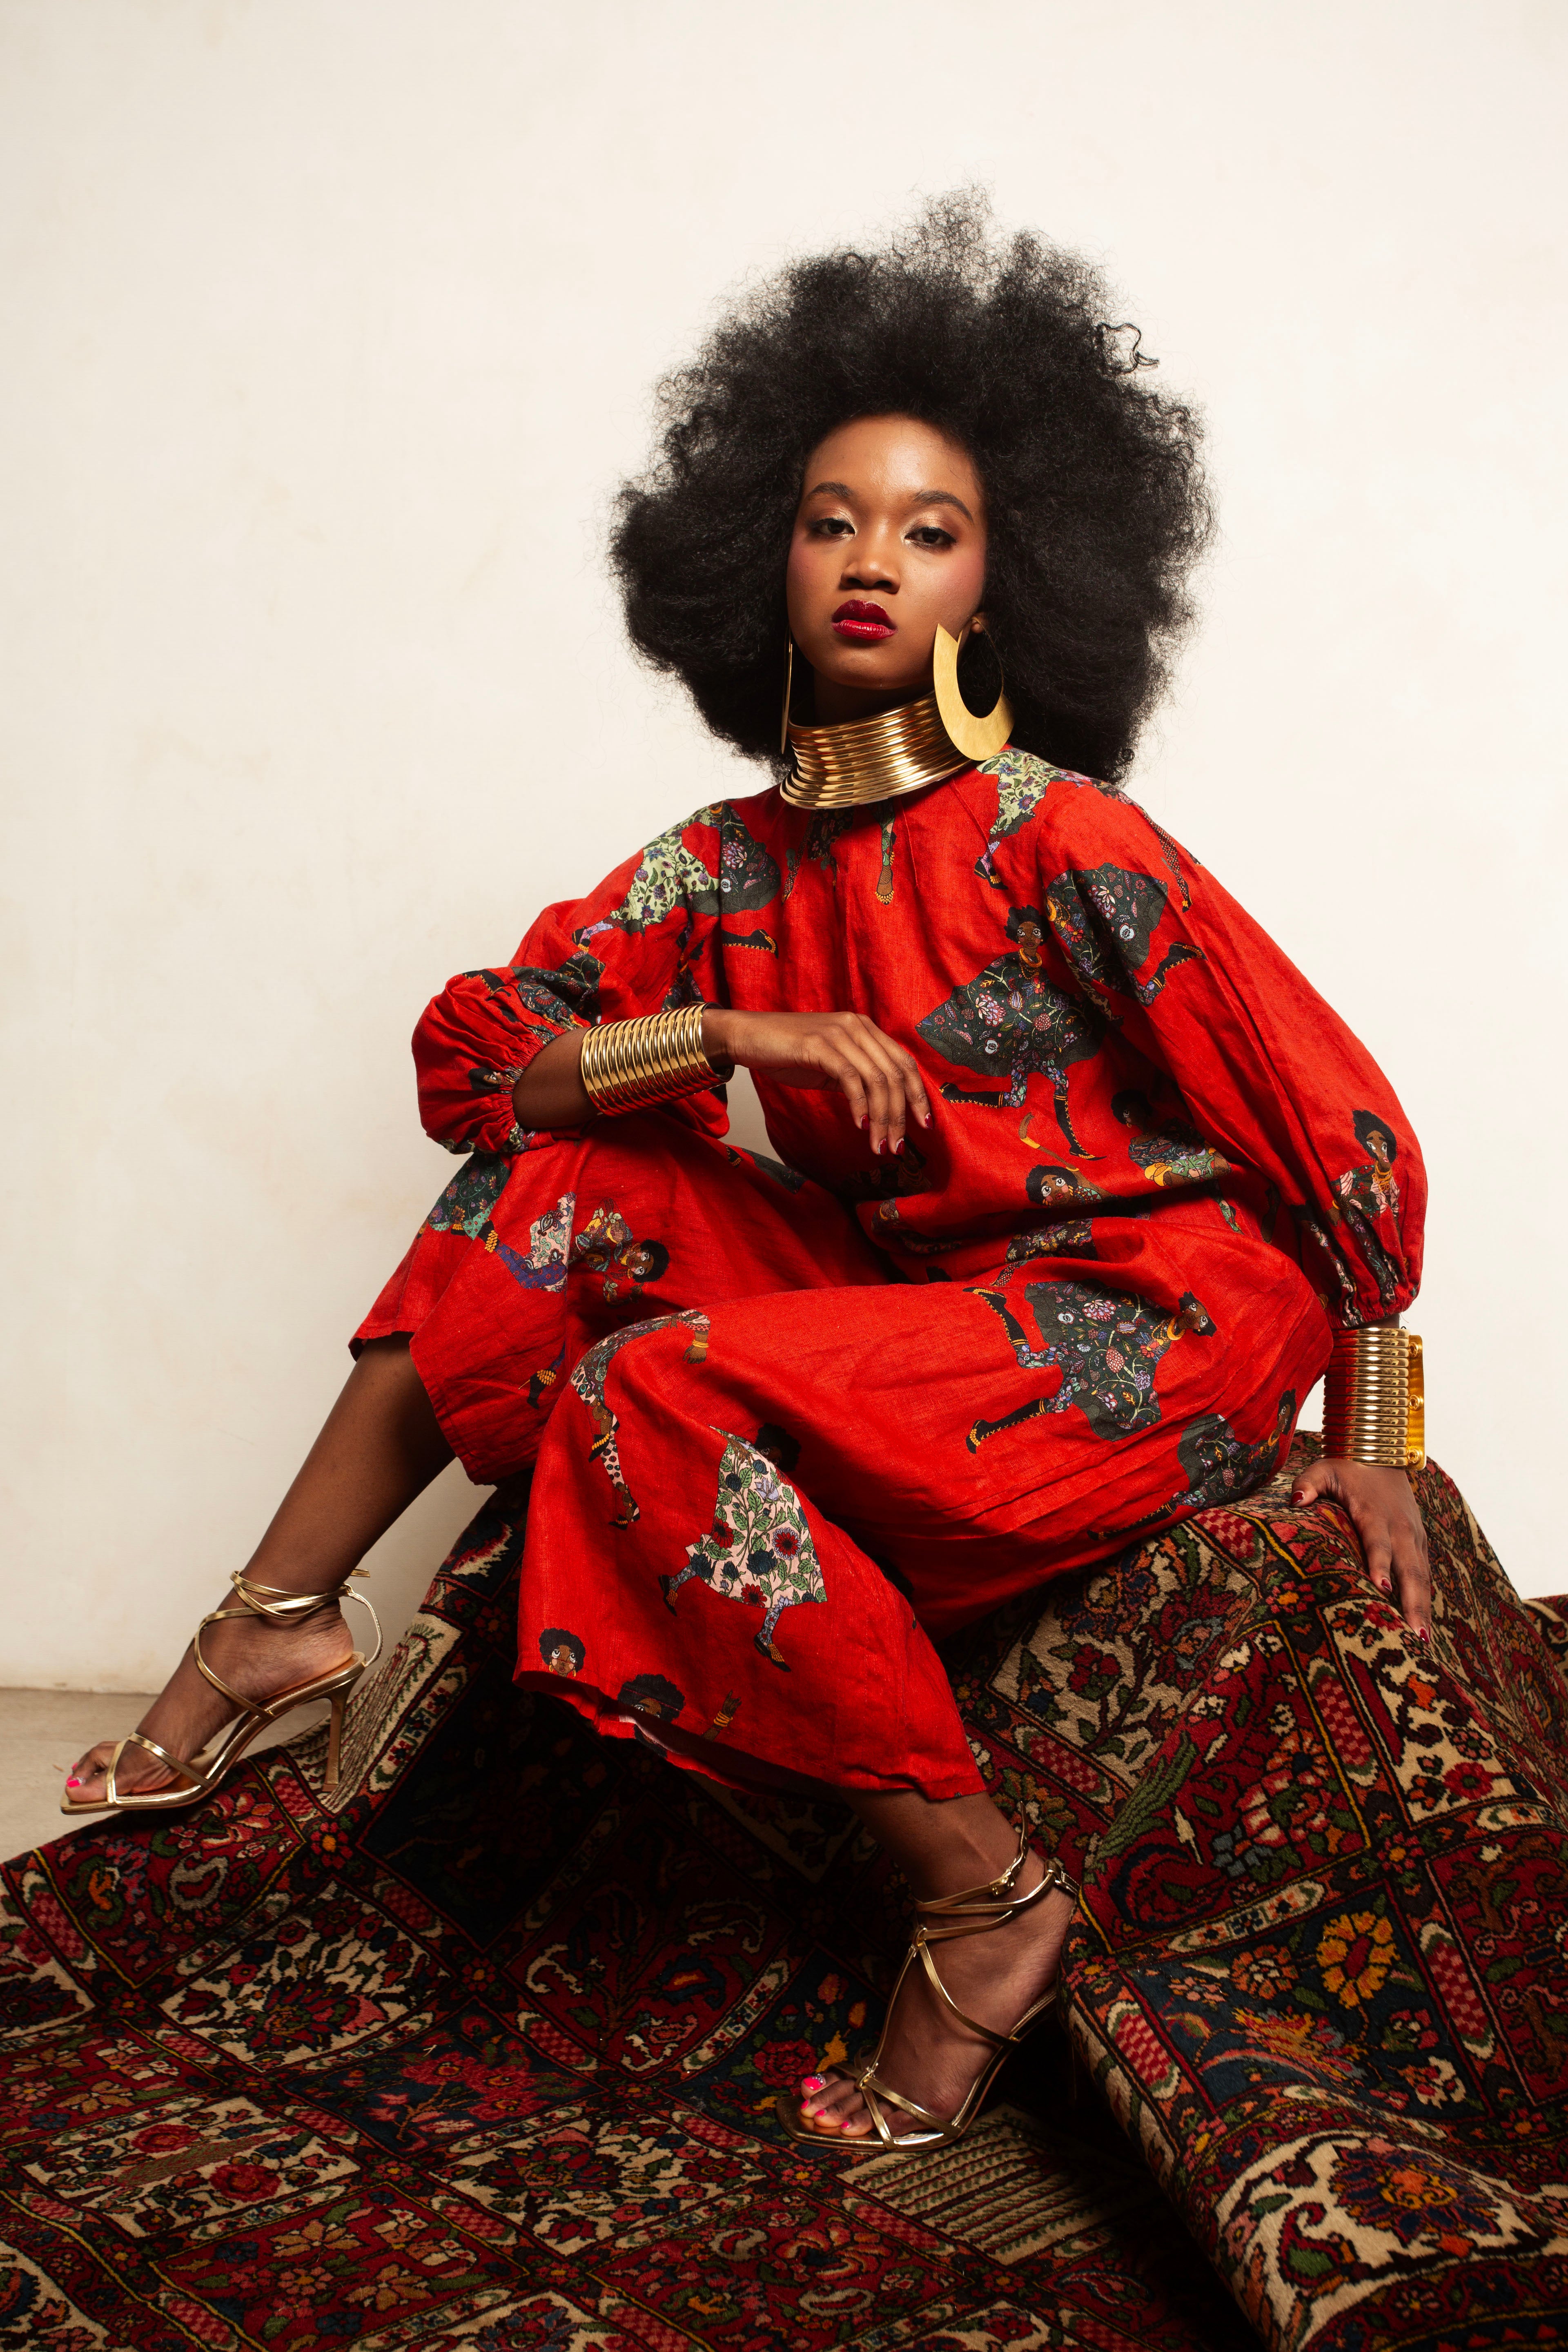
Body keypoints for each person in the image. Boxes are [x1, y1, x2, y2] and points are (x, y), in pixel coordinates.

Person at [63, 198, 1431, 2153]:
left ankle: (984, 1902)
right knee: (560, 1187)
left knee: (649, 1395)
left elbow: (1338, 1119)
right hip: (932, 1314)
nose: (873, 559)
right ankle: (275, 1619)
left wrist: (1371, 1427)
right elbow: (483, 1069)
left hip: (1150, 1322)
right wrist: (724, 1036)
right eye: (831, 519)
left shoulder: (1064, 838)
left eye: (930, 532)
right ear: (758, 557)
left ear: (1001, 589)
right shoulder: (723, 865)